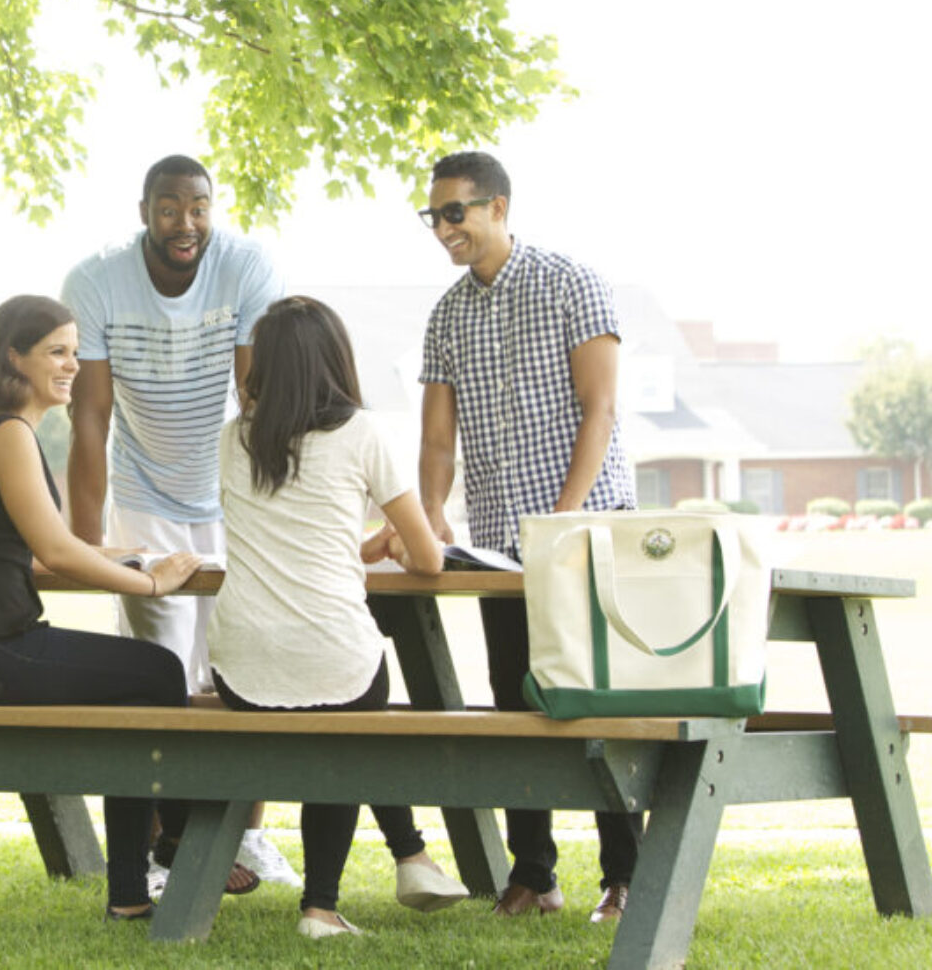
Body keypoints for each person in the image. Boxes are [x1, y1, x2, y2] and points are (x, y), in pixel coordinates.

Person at [0, 294, 246, 921]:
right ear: (14, 358)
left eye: (74, 351)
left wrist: (120, 555)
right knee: (157, 671)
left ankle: (130, 893)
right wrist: (151, 584)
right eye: (56, 352)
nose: (72, 365)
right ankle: (175, 835)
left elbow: (29, 548)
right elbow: (56, 550)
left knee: (138, 699)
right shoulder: (9, 436)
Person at [398, 151, 643, 923]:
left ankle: (626, 876)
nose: (442, 230)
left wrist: (566, 516)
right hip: (500, 547)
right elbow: (438, 442)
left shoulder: (572, 283)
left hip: (588, 531)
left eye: (454, 214)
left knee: (596, 705)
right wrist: (433, 515)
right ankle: (533, 874)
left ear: (498, 207)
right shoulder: (447, 313)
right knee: (515, 705)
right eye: (433, 217)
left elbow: (599, 409)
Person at [62, 154, 298, 886]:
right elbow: (90, 419)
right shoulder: (95, 281)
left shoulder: (245, 265)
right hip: (143, 496)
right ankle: (164, 849)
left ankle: (244, 834)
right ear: (145, 213)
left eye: (198, 207)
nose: (185, 223)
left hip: (229, 492)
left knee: (241, 661)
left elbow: (256, 401)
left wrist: (267, 516)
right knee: (158, 671)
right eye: (170, 208)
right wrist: (87, 543)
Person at [207, 296, 468, 937]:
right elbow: (430, 558)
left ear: (264, 365)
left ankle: (411, 860)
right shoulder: (363, 432)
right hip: (334, 659)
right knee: (351, 727)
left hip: (241, 669)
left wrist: (364, 542)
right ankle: (346, 891)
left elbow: (289, 539)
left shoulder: (233, 439)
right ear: (334, 361)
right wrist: (391, 536)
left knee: (345, 726)